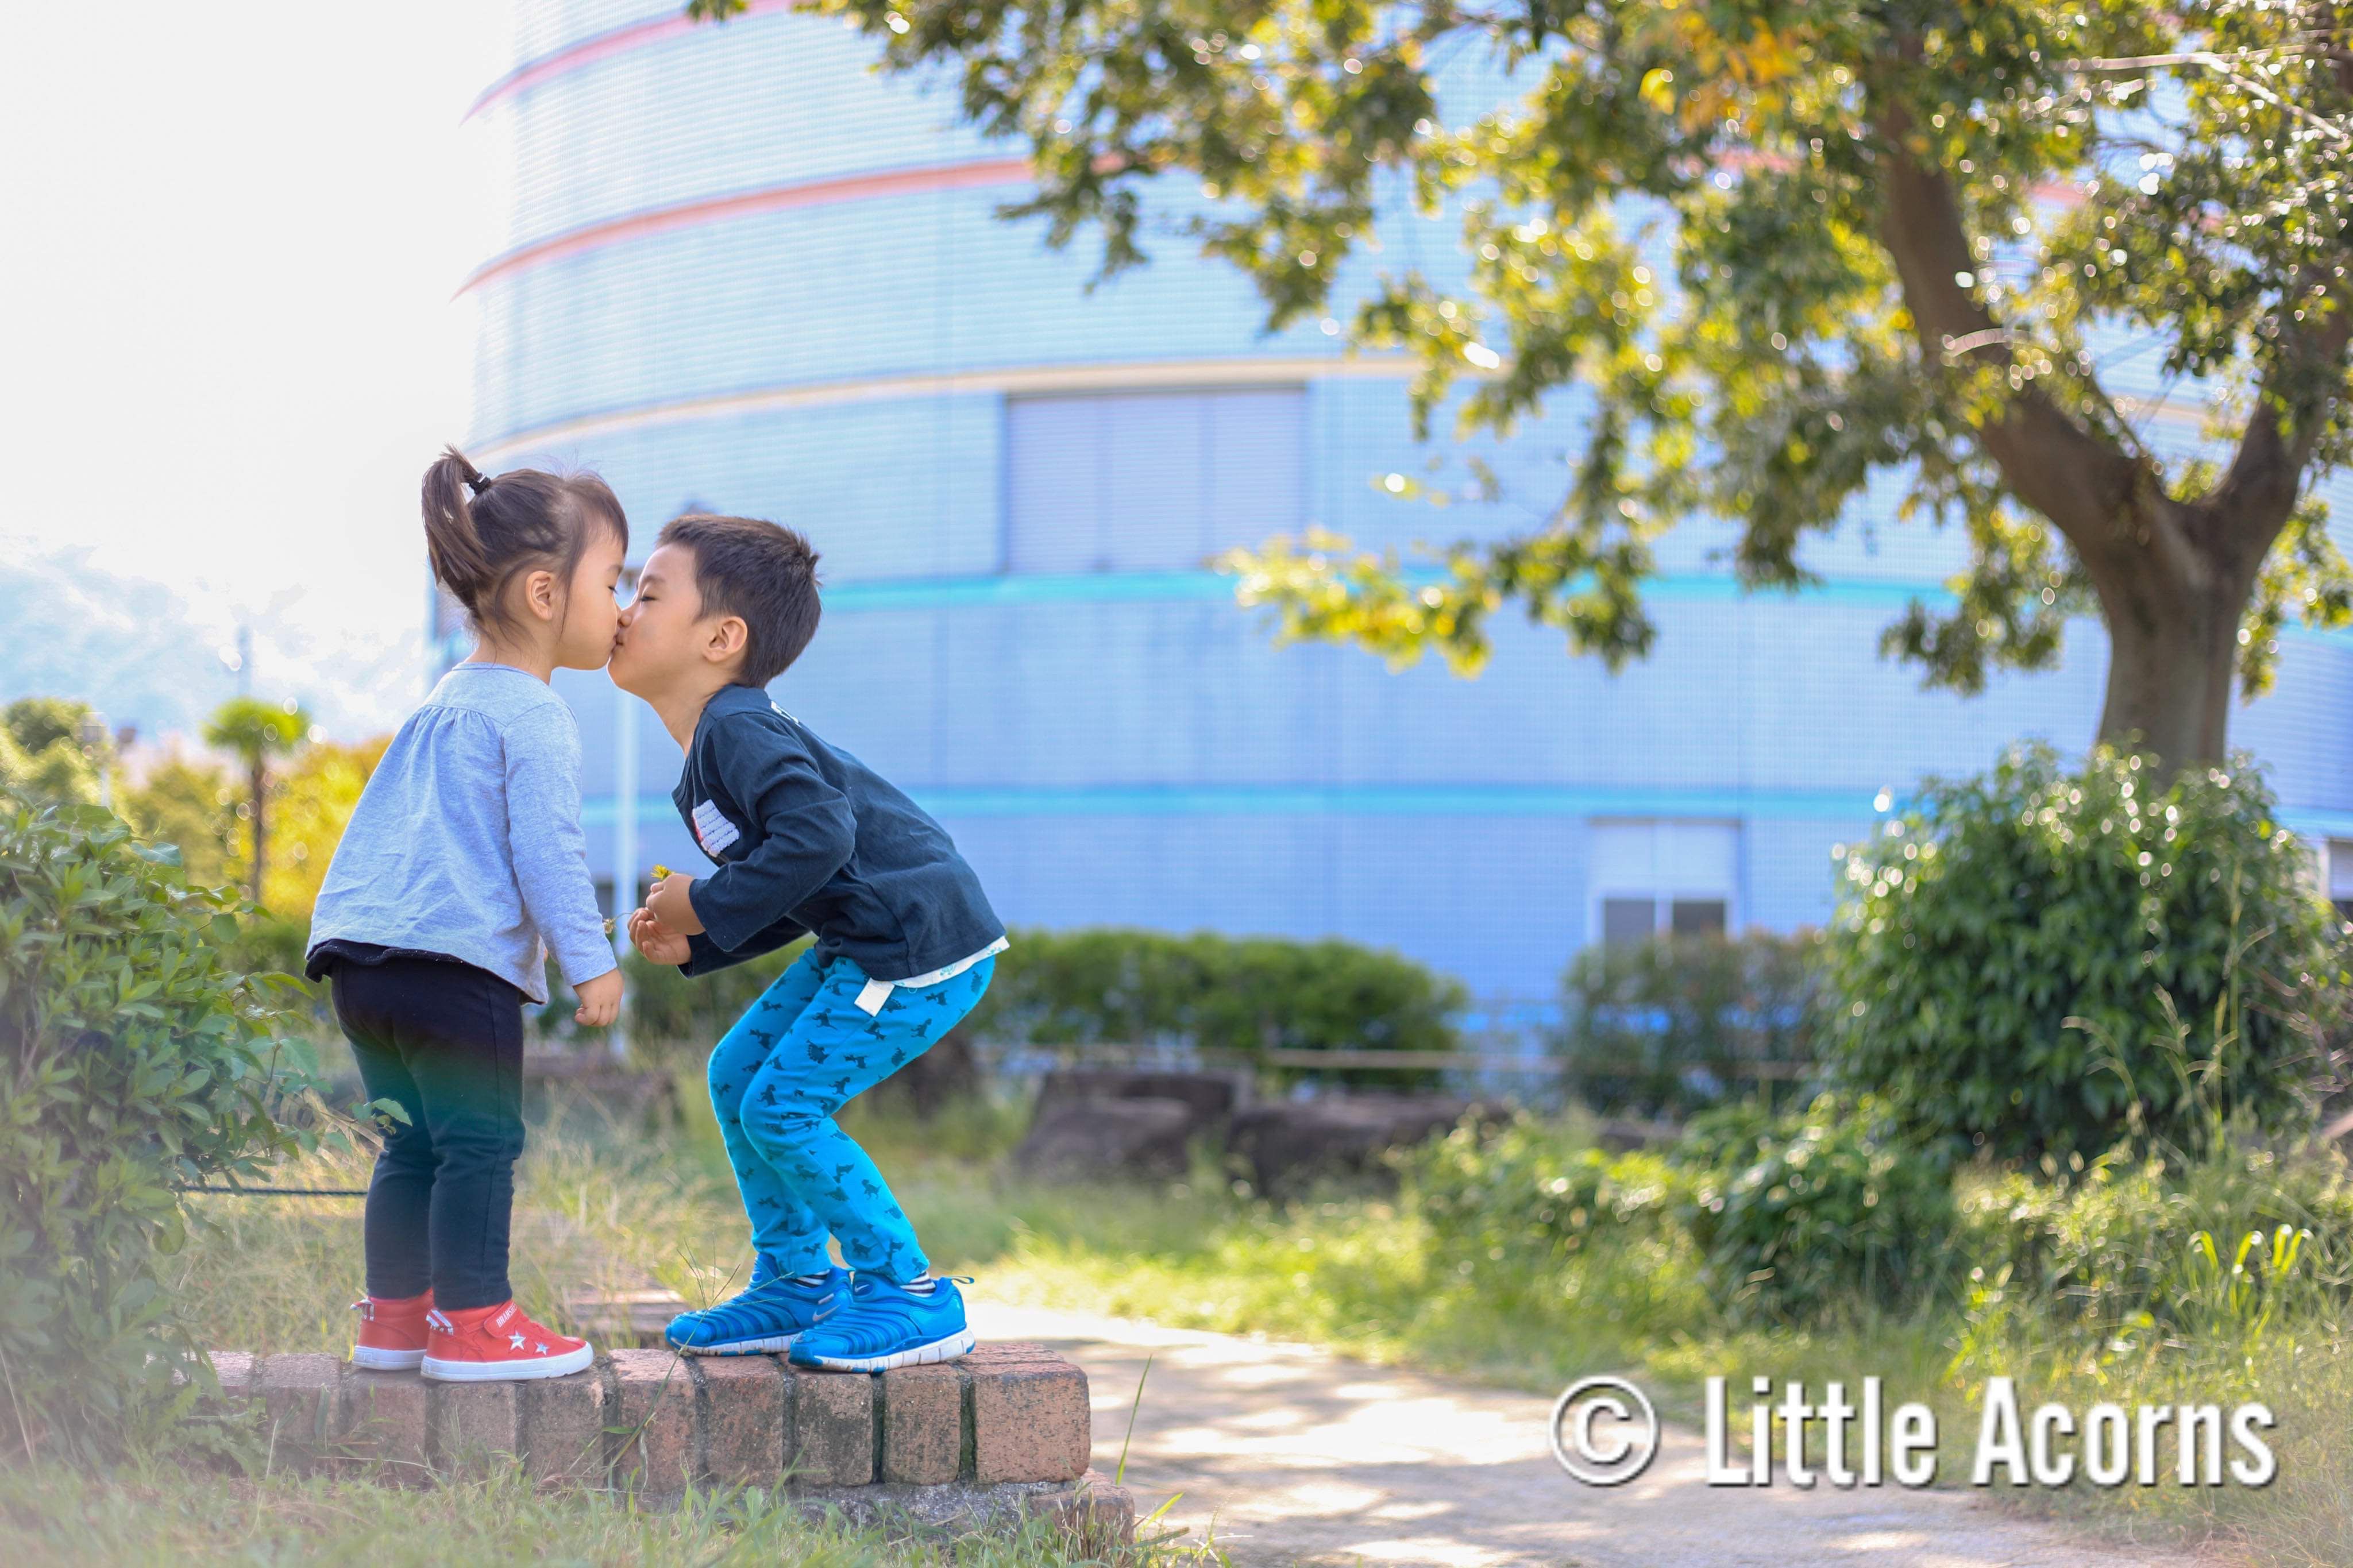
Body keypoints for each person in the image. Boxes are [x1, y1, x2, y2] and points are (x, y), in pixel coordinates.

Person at [612, 513, 1005, 1371]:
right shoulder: (719, 741)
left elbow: (818, 839)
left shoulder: (738, 729)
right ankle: (797, 1282)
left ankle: (909, 1291)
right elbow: (803, 876)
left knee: (781, 1105)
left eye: (645, 592)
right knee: (736, 1074)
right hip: (859, 937)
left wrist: (701, 904)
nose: (623, 609)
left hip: (912, 948)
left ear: (721, 637)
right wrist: (701, 942)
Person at [304, 447, 627, 1382]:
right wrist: (590, 960)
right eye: (610, 582)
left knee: (410, 1144)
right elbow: (547, 850)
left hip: (363, 959)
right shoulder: (532, 714)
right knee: (482, 1143)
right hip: (457, 965)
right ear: (542, 594)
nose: (618, 606)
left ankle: (397, 1320)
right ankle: (478, 1321)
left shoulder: (443, 702)